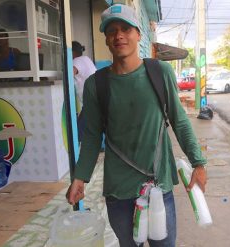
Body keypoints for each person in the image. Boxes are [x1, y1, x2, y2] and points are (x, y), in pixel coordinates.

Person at [66, 3, 207, 247]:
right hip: (118, 192)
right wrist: (80, 177)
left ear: (138, 34)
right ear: (107, 39)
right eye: (112, 31)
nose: (119, 35)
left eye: (126, 29)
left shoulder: (160, 72)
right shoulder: (95, 85)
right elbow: (91, 137)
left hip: (158, 187)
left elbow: (179, 121)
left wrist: (198, 162)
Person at [72, 41, 97, 141]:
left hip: (92, 102)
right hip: (96, 99)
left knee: (77, 134)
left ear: (71, 52)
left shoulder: (76, 61)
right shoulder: (86, 59)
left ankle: (79, 155)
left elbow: (69, 75)